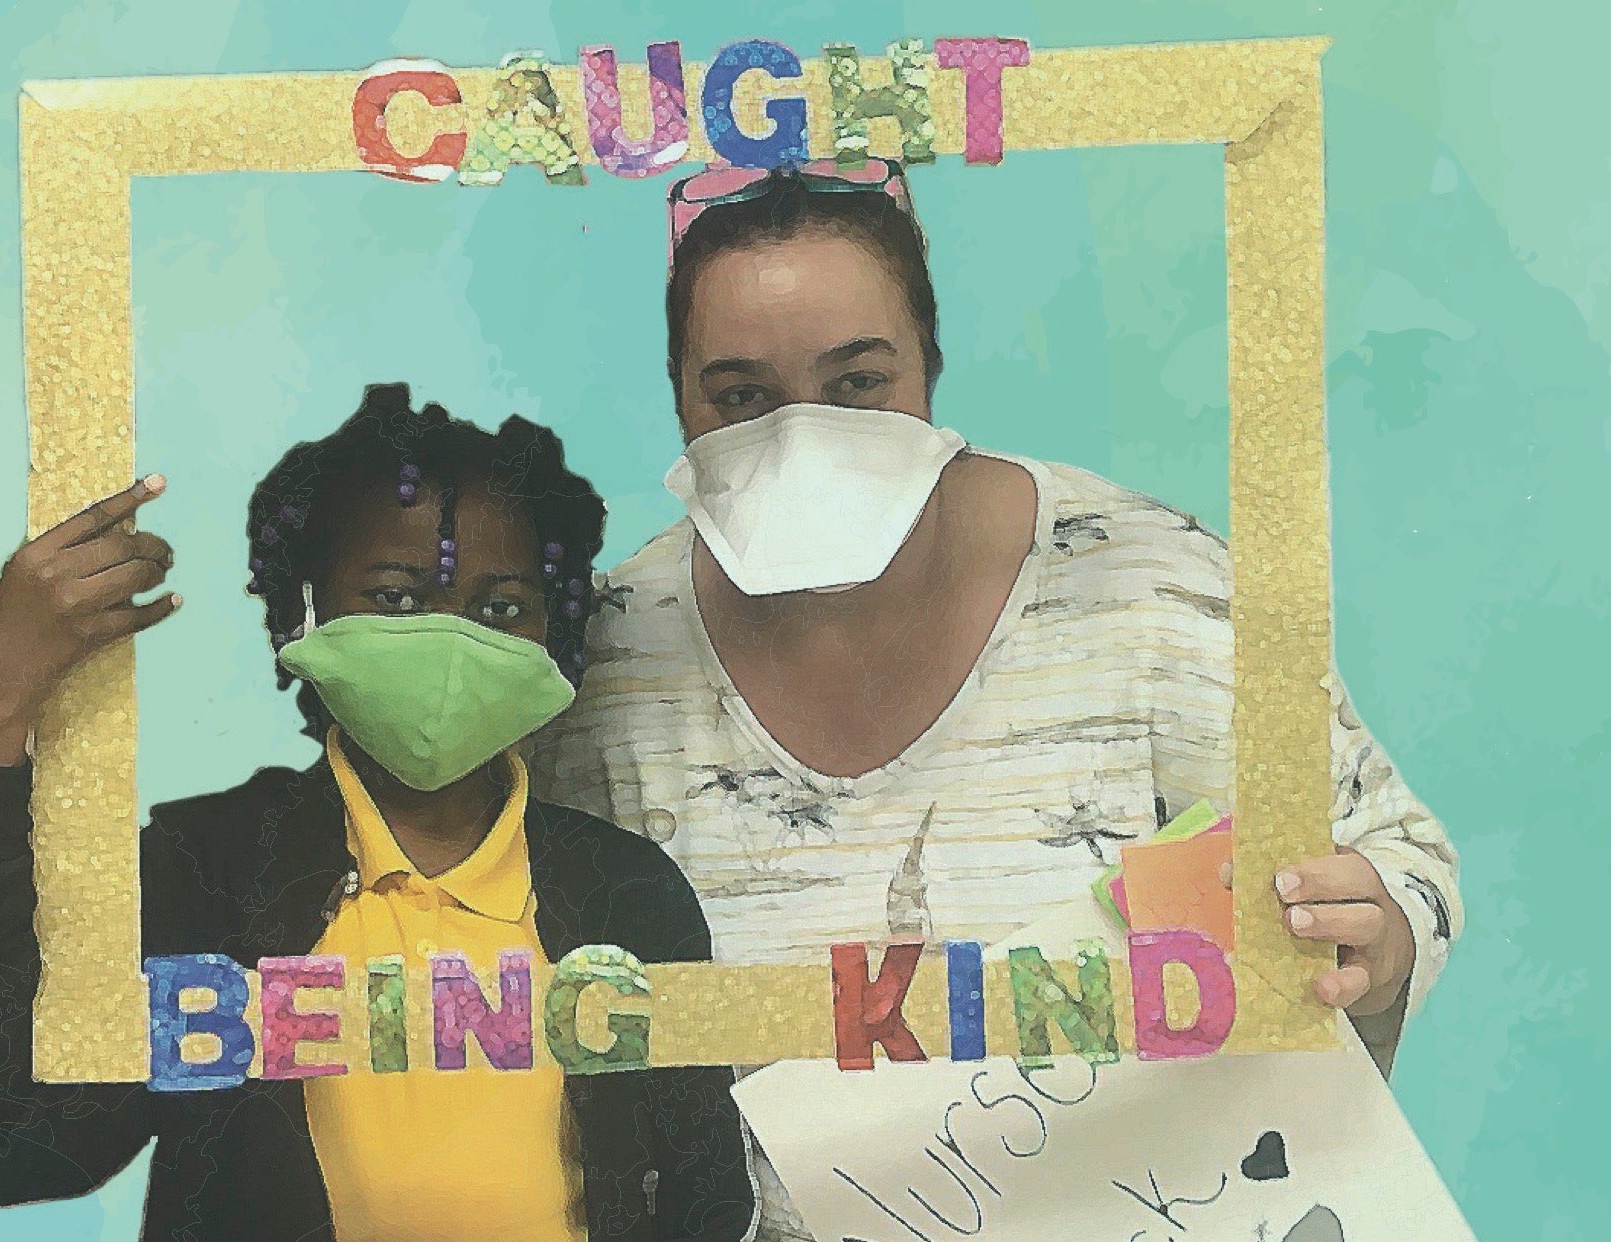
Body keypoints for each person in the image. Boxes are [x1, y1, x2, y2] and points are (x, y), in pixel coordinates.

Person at [526, 162, 1463, 1241]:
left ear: (929, 362)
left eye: (857, 383)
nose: (801, 435)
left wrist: (1375, 931)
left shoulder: (1147, 585)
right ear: (677, 395)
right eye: (740, 396)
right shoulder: (605, 659)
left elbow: (1388, 856)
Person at [0, 384, 756, 1241]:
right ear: (299, 614)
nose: (450, 637)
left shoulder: (627, 896)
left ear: (554, 632)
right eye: (394, 598)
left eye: (502, 607)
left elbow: (701, 1192)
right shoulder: (207, 876)